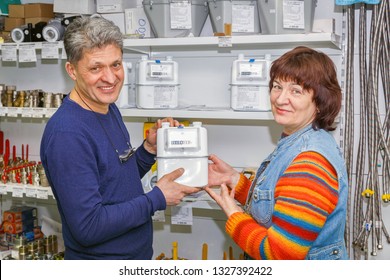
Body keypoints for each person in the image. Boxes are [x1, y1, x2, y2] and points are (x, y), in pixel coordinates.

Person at [40, 16, 199, 260]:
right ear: (72, 70)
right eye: (96, 68)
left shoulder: (107, 108)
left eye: (116, 64)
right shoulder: (68, 134)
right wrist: (156, 198)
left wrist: (148, 149)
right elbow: (88, 227)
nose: (111, 78)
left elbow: (117, 182)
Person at [205, 46, 349, 260]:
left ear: (319, 101)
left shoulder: (310, 162)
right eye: (277, 87)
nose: (280, 99)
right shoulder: (299, 140)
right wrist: (235, 180)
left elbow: (279, 255)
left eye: (296, 91)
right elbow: (283, 201)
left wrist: (233, 213)